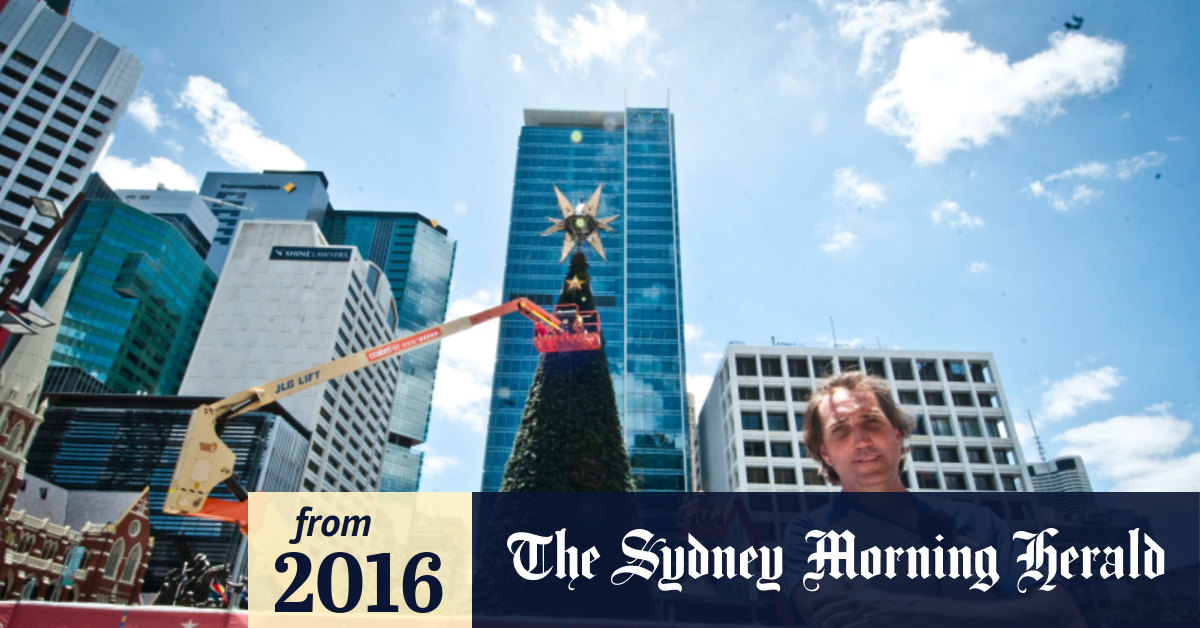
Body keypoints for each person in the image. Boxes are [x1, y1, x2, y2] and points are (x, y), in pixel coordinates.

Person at [785, 371, 1085, 628]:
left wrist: (910, 611)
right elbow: (838, 616)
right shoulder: (810, 533)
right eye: (841, 430)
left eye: (871, 422)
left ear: (898, 434)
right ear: (824, 452)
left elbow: (1063, 616)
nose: (861, 440)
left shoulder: (977, 522)